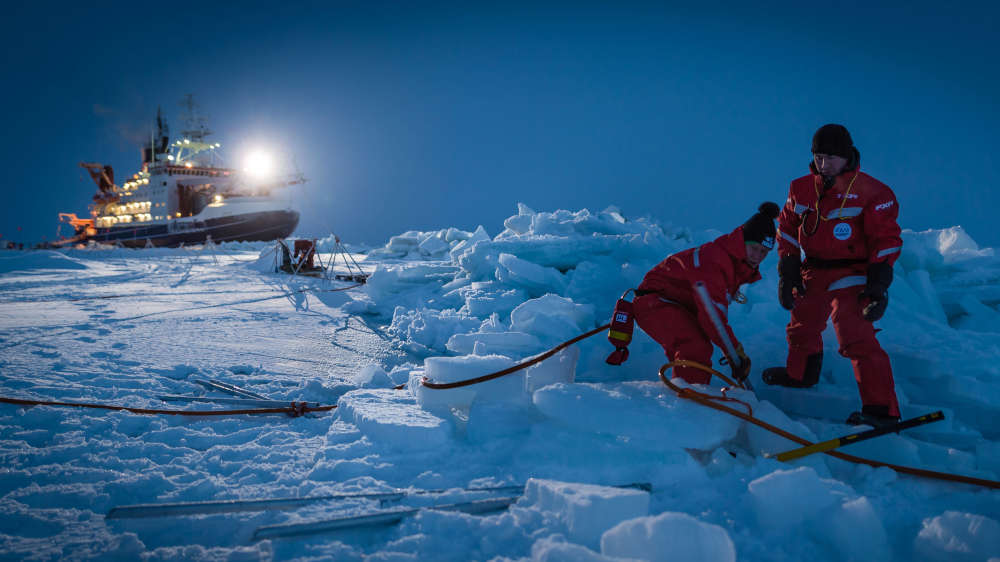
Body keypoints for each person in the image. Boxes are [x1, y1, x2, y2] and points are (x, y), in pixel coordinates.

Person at [764, 124, 903, 428]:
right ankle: (800, 375)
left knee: (853, 330)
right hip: (813, 267)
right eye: (818, 157)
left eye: (831, 158)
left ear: (847, 157)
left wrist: (878, 285)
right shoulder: (800, 187)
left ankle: (881, 409)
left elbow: (886, 239)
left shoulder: (873, 192)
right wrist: (788, 269)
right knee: (802, 322)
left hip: (852, 270)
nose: (824, 164)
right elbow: (786, 228)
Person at [632, 202, 779, 385]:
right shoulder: (715, 260)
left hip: (672, 306)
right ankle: (689, 400)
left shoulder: (732, 267)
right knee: (695, 347)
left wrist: (734, 353)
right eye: (754, 248)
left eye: (764, 252)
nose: (758, 256)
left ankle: (684, 391)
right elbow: (712, 315)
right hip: (655, 302)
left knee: (694, 346)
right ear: (742, 242)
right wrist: (734, 351)